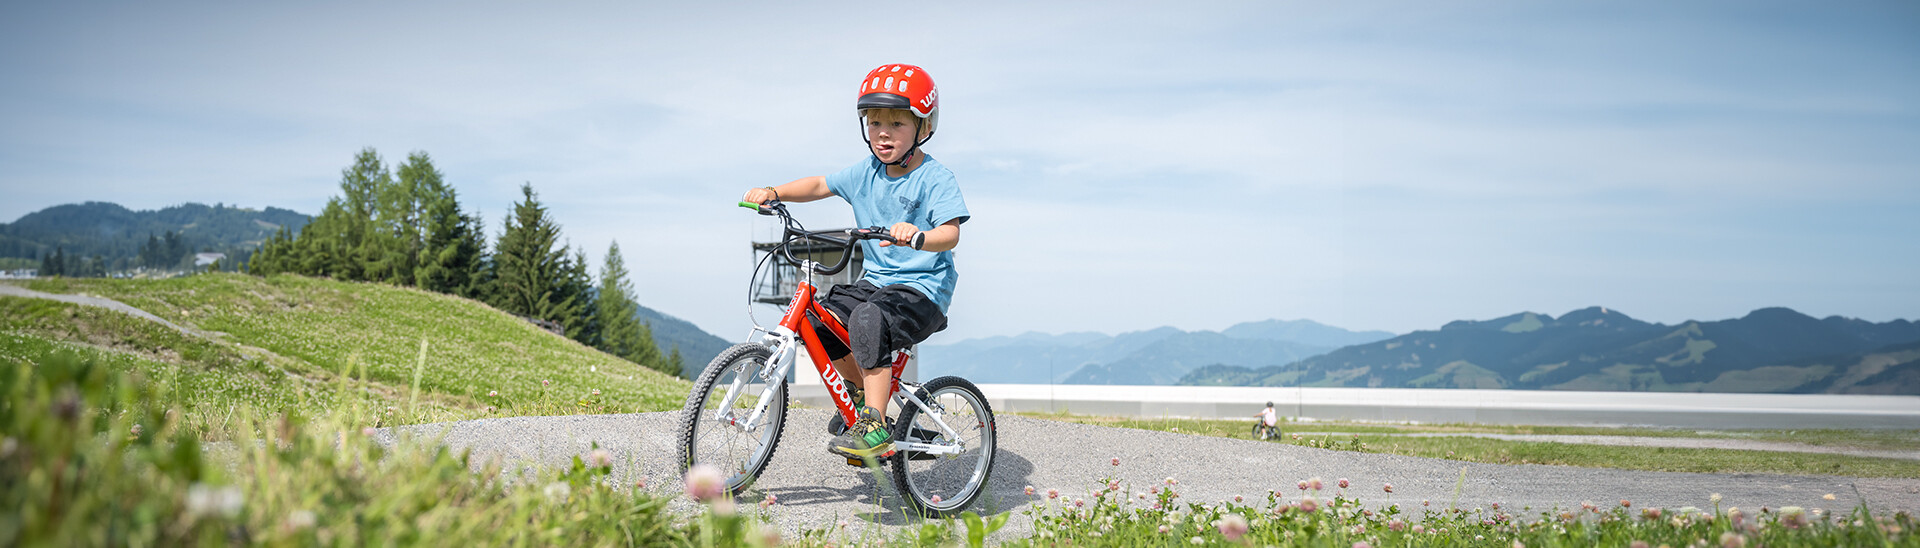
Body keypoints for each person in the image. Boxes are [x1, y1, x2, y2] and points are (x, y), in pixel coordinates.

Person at [741, 64, 969, 461]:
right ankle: (862, 390)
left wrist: (918, 236)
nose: (884, 132)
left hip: (922, 291)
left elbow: (951, 233)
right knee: (816, 320)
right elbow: (820, 185)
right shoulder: (866, 172)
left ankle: (875, 423)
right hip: (877, 283)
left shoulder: (935, 178)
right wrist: (774, 192)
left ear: (923, 126)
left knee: (867, 318)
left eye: (898, 123)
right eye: (875, 121)